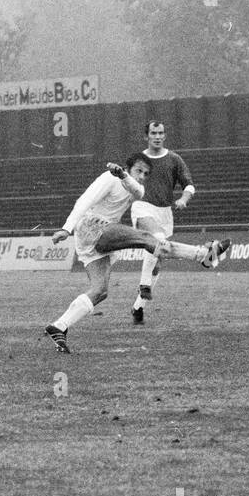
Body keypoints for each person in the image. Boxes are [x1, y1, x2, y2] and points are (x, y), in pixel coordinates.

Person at [44, 156, 230, 352]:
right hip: (92, 227)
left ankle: (59, 326)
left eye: (146, 174)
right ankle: (204, 255)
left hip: (94, 238)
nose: (142, 177)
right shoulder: (108, 178)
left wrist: (125, 175)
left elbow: (137, 190)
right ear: (128, 167)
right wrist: (66, 228)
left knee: (100, 291)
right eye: (138, 171)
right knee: (147, 239)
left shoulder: (135, 188)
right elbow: (84, 201)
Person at [130, 121, 196, 324]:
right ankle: (144, 284)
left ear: (164, 135)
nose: (157, 136)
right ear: (146, 136)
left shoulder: (174, 159)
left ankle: (138, 306)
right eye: (153, 133)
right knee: (157, 240)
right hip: (143, 208)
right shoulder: (140, 160)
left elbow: (189, 185)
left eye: (160, 133)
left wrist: (183, 199)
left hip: (165, 212)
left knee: (158, 262)